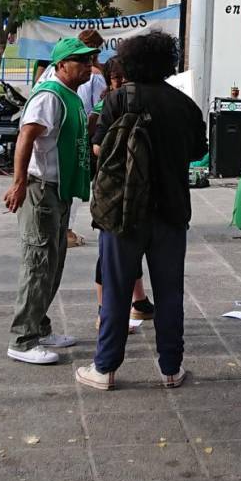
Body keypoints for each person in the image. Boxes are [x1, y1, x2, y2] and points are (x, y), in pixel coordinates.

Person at [76, 31, 209, 391]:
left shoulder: (119, 99)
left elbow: (99, 148)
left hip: (124, 210)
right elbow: (198, 151)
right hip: (171, 210)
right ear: (168, 63)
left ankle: (105, 368)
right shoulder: (184, 104)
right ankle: (171, 368)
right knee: (170, 293)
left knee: (116, 290)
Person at [4, 37, 98, 365]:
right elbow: (26, 136)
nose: (88, 66)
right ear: (61, 65)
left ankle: (40, 327)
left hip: (59, 190)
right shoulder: (49, 96)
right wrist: (18, 183)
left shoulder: (70, 95)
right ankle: (22, 339)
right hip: (41, 189)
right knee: (38, 263)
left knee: (53, 264)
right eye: (80, 61)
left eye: (90, 60)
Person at [91, 59, 155, 330]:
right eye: (115, 77)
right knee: (109, 252)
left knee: (131, 245)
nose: (121, 82)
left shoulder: (138, 101)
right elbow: (96, 147)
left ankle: (138, 301)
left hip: (137, 186)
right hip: (113, 187)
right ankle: (103, 310)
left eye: (125, 77)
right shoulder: (107, 104)